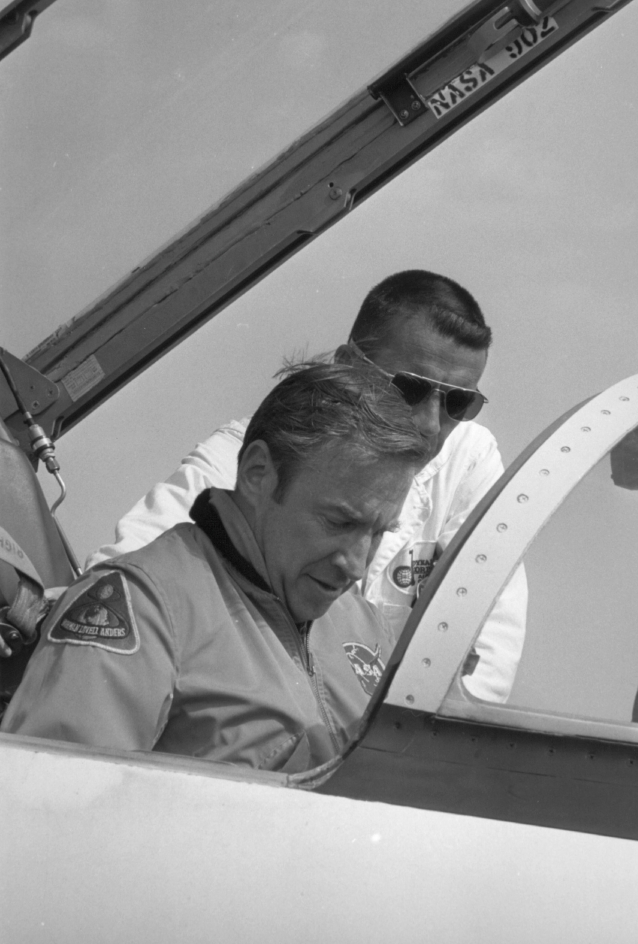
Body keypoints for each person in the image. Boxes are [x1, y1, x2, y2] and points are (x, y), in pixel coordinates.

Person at [86, 270, 528, 703]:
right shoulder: (257, 455)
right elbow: (122, 583)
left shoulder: (469, 459)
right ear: (348, 365)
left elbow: (485, 654)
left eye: (458, 402)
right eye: (411, 388)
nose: (431, 424)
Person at [1, 363, 429, 771]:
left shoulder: (364, 625)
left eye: (379, 533)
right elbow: (46, 813)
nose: (356, 564)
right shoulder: (143, 608)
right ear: (258, 473)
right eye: (339, 522)